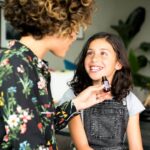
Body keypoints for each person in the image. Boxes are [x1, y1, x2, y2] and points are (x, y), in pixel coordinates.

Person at [0, 1, 111, 149]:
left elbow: (40, 127)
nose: (74, 34)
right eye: (74, 25)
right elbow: (26, 144)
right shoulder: (15, 66)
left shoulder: (31, 65)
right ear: (57, 21)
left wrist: (76, 104)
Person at [60, 32, 145, 150]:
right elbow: (83, 147)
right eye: (90, 53)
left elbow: (136, 147)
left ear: (118, 63)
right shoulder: (73, 97)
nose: (94, 58)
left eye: (103, 53)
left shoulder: (129, 99)